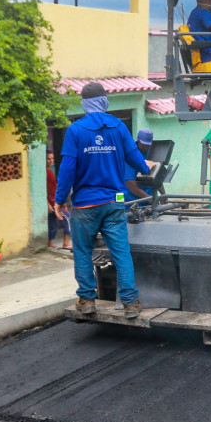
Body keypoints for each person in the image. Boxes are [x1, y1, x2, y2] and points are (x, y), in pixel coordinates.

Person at [54, 82, 151, 318]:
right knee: (121, 252)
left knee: (83, 251)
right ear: (105, 101)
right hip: (114, 201)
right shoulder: (118, 126)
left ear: (84, 104)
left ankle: (87, 300)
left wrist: (59, 199)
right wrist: (146, 169)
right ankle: (130, 302)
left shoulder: (75, 130)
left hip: (85, 204)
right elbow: (134, 157)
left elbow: (67, 169)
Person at [45, 150, 70, 249]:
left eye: (52, 158)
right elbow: (43, 189)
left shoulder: (50, 171)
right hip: (53, 203)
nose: (51, 161)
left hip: (55, 201)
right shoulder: (45, 173)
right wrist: (48, 204)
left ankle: (50, 243)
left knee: (53, 224)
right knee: (68, 219)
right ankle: (66, 243)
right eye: (48, 159)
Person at [125, 128, 156, 201]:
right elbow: (130, 183)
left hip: (148, 200)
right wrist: (149, 198)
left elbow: (157, 176)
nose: (145, 148)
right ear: (138, 141)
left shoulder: (151, 154)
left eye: (148, 146)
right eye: (143, 145)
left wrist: (163, 196)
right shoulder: (130, 156)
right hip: (130, 201)